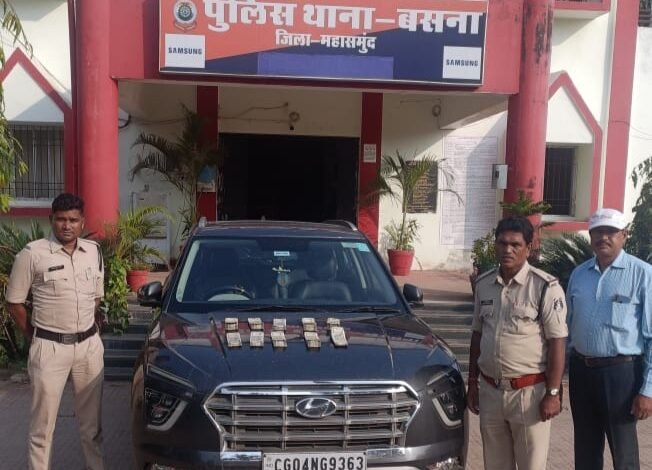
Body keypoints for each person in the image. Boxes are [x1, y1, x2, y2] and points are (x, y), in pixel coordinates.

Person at [6, 193, 105, 470]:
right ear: (51, 220)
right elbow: (14, 302)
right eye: (61, 219)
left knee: (93, 427)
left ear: (82, 222)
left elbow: (96, 298)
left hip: (89, 347)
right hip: (49, 349)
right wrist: (34, 336)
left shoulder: (93, 252)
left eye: (73, 220)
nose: (67, 225)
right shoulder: (32, 254)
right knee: (42, 429)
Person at [467, 216, 567, 470]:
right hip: (490, 391)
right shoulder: (483, 284)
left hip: (529, 394)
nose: (507, 250)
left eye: (515, 244)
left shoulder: (545, 287)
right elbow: (477, 335)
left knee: (531, 466)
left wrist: (552, 393)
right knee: (495, 465)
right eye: (502, 243)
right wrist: (472, 383)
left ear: (529, 248)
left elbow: (557, 342)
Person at [566, 208, 652, 470]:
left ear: (624, 235)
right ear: (590, 235)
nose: (604, 237)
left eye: (611, 232)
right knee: (585, 452)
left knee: (624, 456)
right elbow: (567, 326)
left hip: (621, 375)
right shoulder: (579, 274)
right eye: (598, 231)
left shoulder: (643, 274)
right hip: (581, 372)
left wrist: (647, 390)